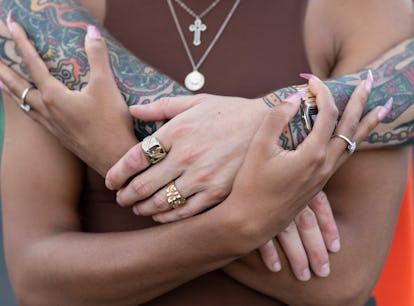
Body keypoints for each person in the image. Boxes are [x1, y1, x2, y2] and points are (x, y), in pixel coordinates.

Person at [0, 0, 412, 305]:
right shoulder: (60, 12)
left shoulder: (363, 10)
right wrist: (238, 224)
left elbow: (339, 283)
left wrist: (117, 154)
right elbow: (38, 281)